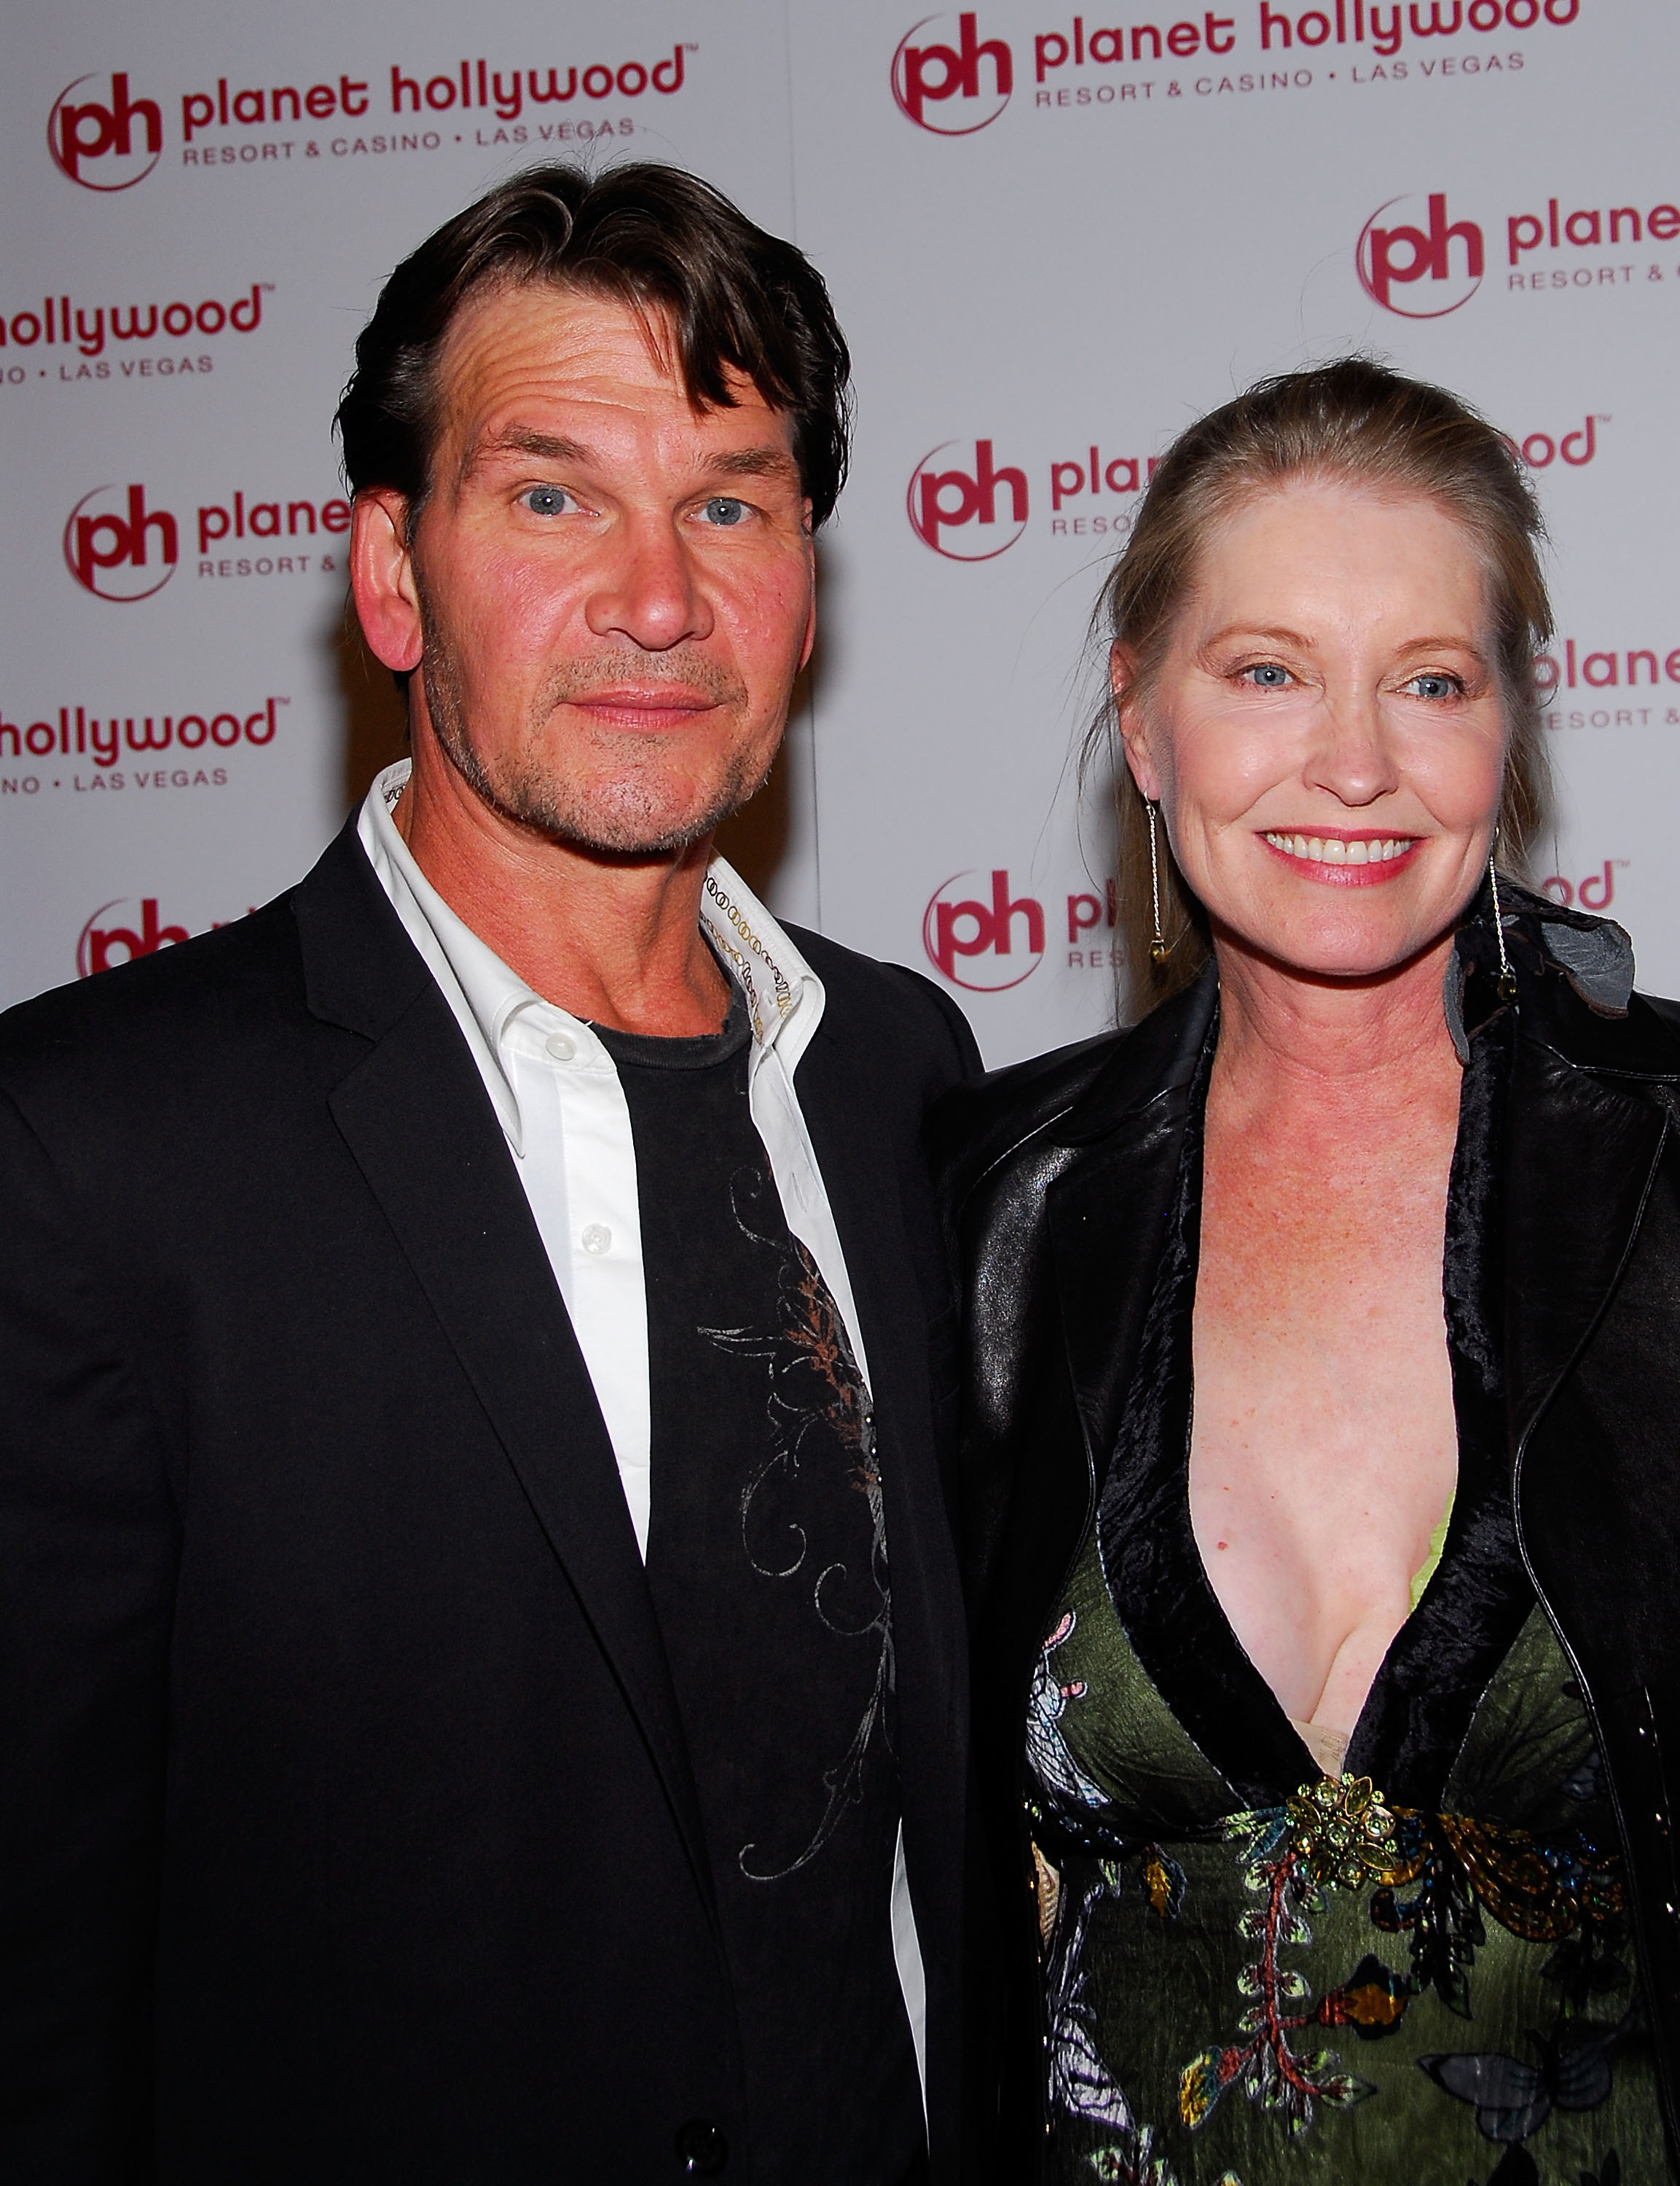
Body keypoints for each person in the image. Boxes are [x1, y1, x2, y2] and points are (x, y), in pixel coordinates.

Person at [0, 164, 977, 2185]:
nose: (657, 595)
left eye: (730, 502)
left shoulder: (902, 1075)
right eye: (552, 496)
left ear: (805, 574)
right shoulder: (94, 1147)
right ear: (389, 575)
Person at [931, 359, 1680, 2185]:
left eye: (1431, 680)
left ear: (1510, 738)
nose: (1354, 763)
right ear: (1143, 724)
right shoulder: (988, 1202)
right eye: (1265, 672)